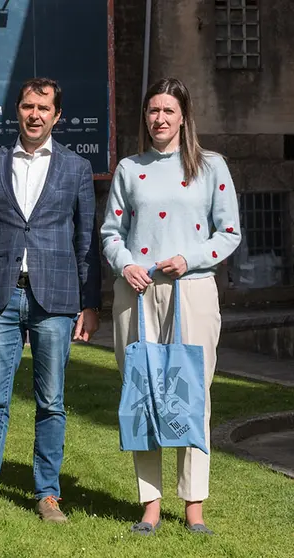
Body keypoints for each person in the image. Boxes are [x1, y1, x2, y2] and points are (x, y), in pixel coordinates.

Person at [0, 77, 101, 527]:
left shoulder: (75, 168)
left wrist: (91, 303)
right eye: (28, 106)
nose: (35, 114)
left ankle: (48, 496)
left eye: (43, 108)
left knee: (51, 401)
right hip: (0, 296)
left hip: (56, 299)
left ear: (56, 116)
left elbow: (85, 239)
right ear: (18, 110)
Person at [101, 77, 241, 536]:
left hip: (193, 291)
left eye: (168, 111)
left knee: (192, 395)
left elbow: (229, 233)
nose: (159, 119)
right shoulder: (128, 168)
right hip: (137, 296)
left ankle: (194, 506)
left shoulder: (211, 167)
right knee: (141, 394)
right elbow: (110, 233)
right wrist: (125, 265)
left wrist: (190, 257)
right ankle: (151, 505)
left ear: (184, 117)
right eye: (152, 111)